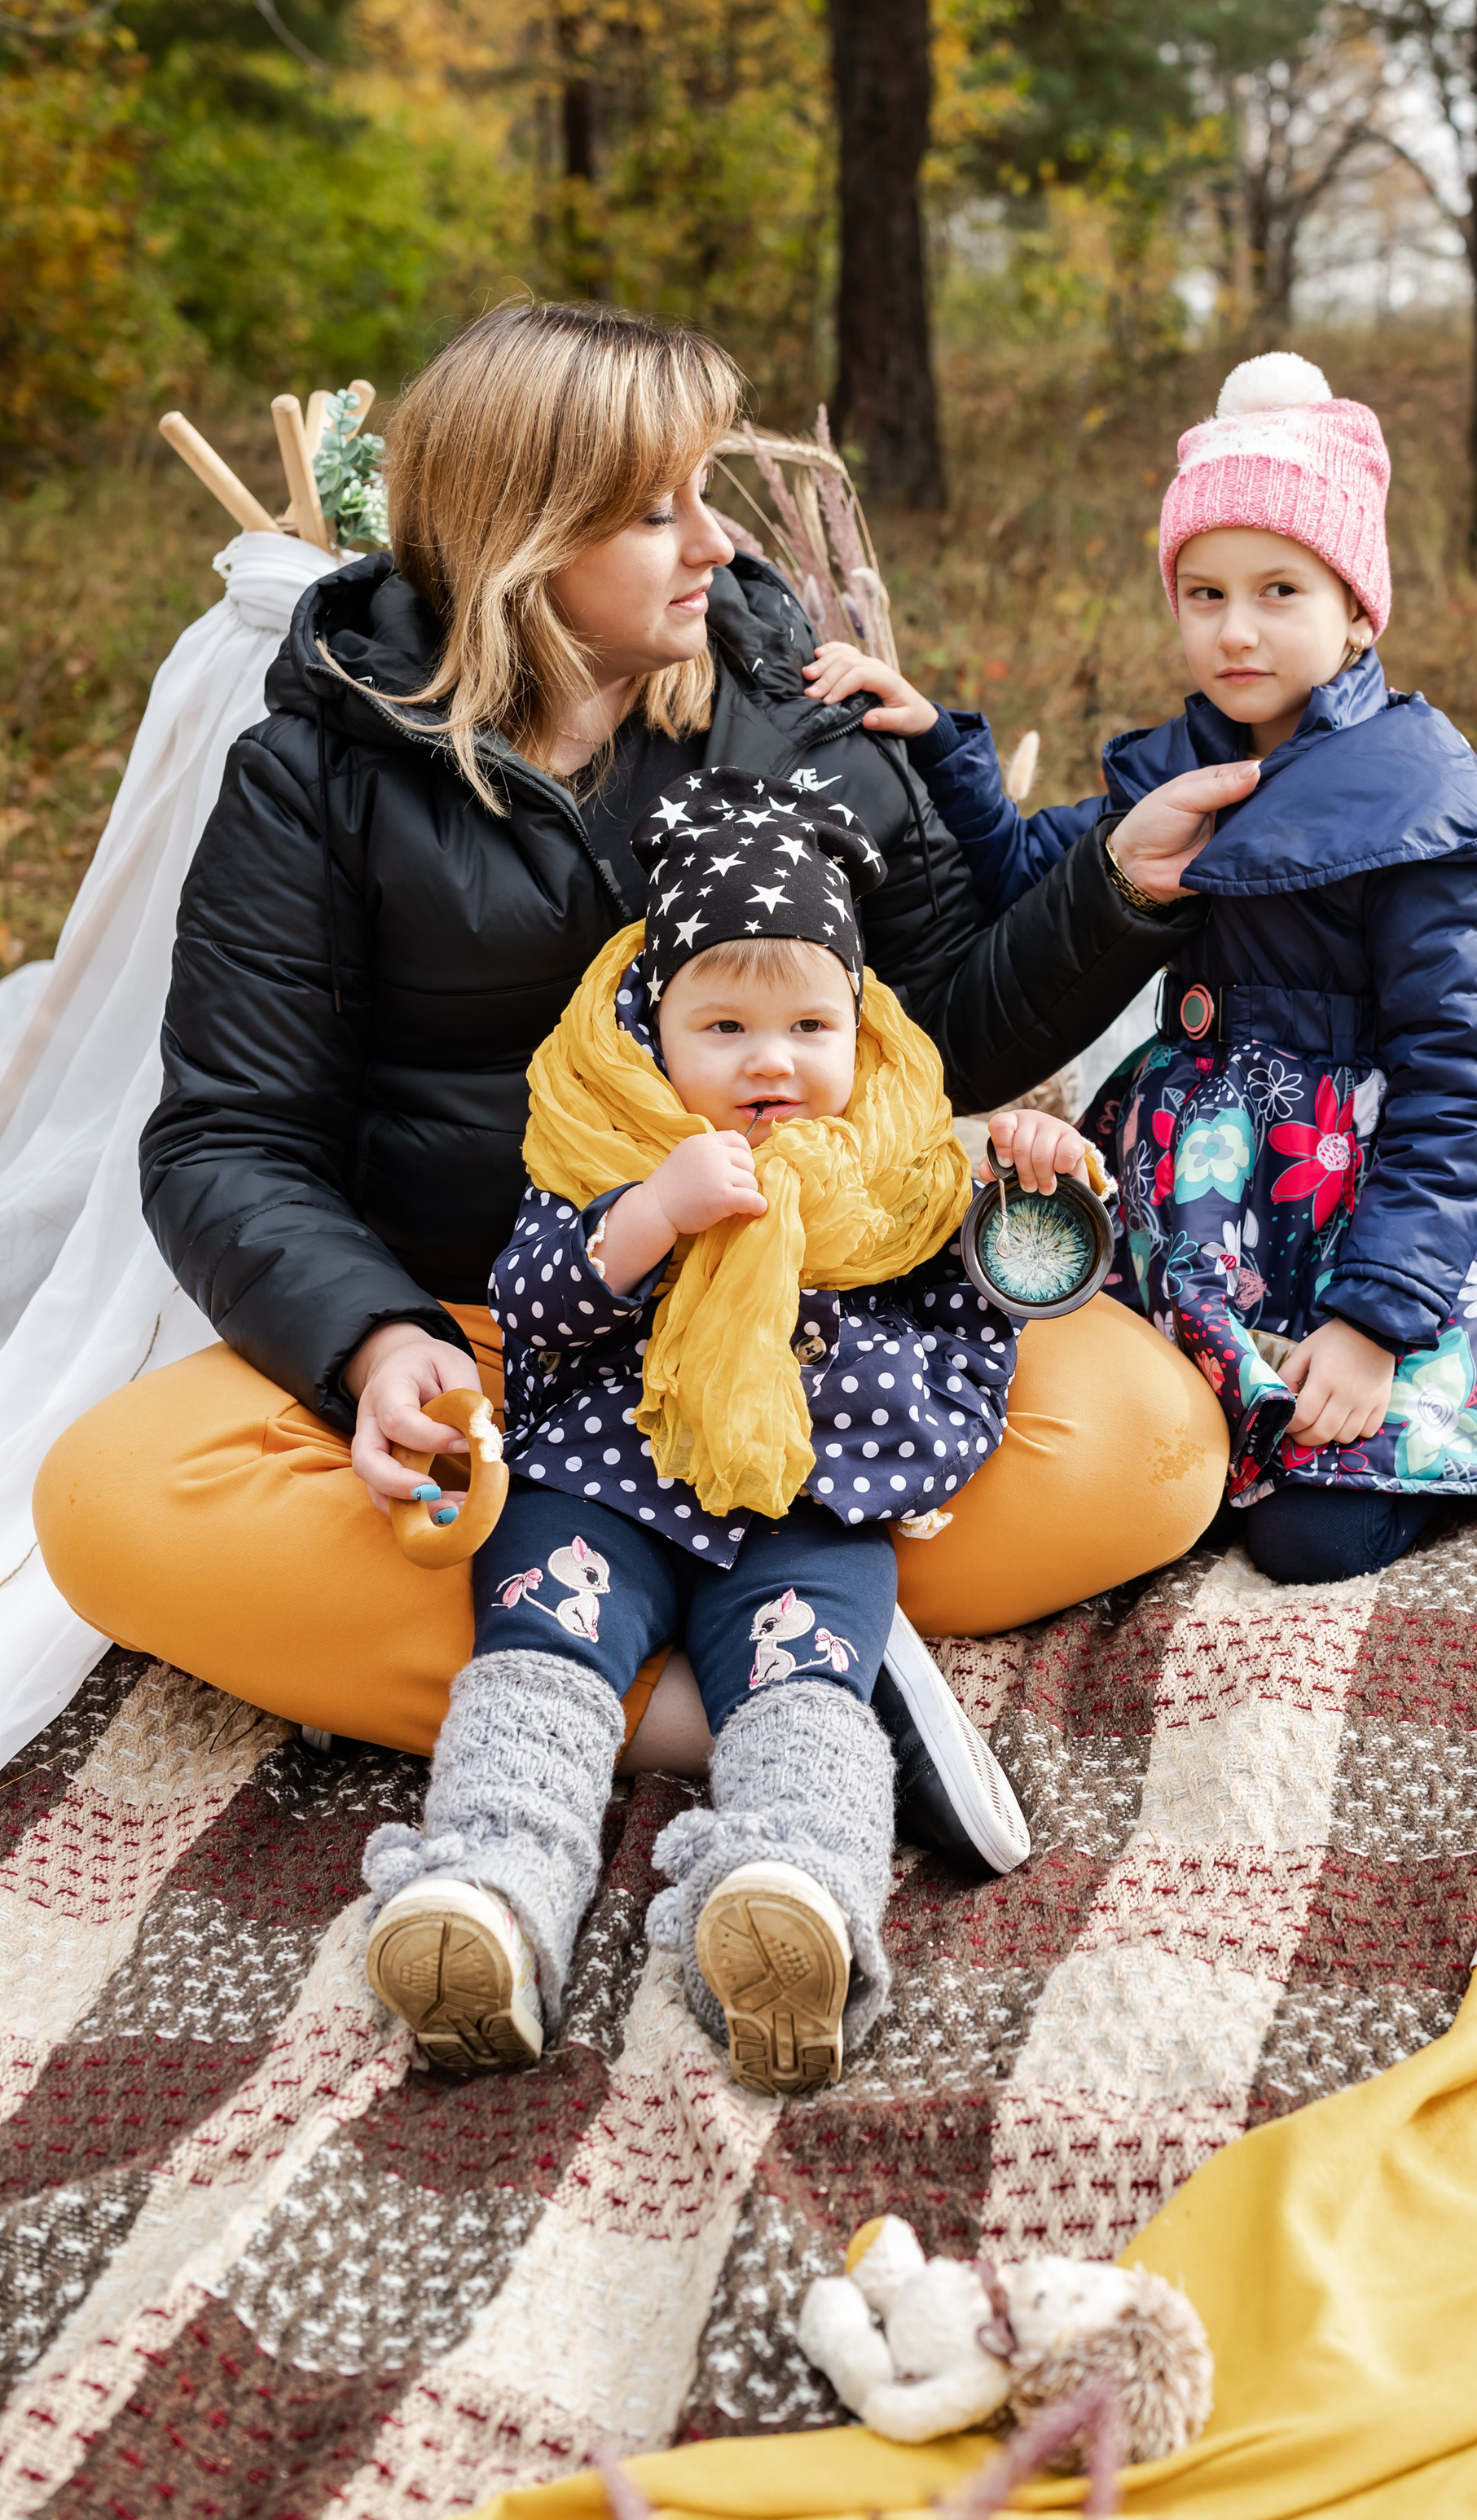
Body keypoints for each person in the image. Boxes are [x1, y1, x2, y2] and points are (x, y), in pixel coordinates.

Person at [34, 301, 1234, 1796]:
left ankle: (617, 1648)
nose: (717, 546)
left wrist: (1116, 885)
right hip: (496, 1323)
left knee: (1151, 1437)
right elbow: (230, 1136)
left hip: (823, 1334)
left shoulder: (792, 709)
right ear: (526, 536)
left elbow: (940, 1029)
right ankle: (774, 1697)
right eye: (657, 513)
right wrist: (377, 1343)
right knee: (112, 1499)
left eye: (707, 499)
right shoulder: (315, 773)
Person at [805, 351, 1477, 1584]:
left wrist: (1373, 1326)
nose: (1236, 628)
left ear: (1358, 607)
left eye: (1278, 589)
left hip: (1375, 1208)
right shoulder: (1178, 762)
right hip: (1209, 1192)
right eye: (1203, 593)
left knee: (1310, 1535)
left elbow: (1456, 1075)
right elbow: (1032, 878)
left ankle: (1464, 1431)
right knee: (1159, 1478)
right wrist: (942, 747)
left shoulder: (1419, 803)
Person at [363, 771, 1088, 2091]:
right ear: (654, 1032)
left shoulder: (900, 1161)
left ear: (859, 1034)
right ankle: (490, 1888)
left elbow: (992, 1294)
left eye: (811, 1022)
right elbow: (531, 1302)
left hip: (807, 1504)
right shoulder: (601, 1146)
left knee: (804, 1706)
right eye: (727, 1023)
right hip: (601, 1486)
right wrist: (650, 1214)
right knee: (535, 1669)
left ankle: (789, 1899)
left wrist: (1022, 1168)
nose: (772, 1058)